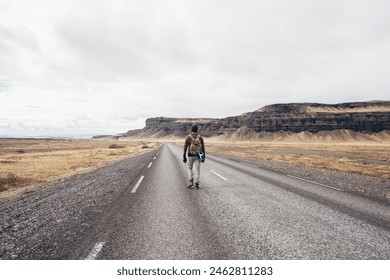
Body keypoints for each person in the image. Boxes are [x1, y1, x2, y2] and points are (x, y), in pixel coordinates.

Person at [183, 124, 205, 189]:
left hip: (190, 155)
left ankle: (190, 181)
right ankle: (197, 183)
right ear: (197, 130)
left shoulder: (188, 137)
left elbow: (185, 147)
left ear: (191, 129)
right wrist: (203, 157)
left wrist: (184, 155)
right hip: (198, 156)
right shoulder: (200, 138)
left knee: (190, 168)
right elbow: (203, 148)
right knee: (198, 169)